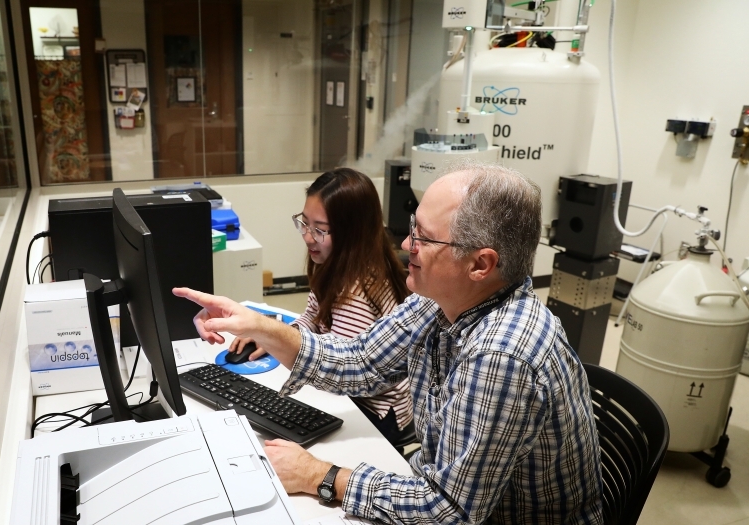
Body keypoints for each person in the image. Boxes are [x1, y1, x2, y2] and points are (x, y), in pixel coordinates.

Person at [173, 160, 603, 524]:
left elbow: (448, 511)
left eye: (424, 237)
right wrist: (257, 325)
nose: (405, 244)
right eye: (413, 228)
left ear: (480, 264)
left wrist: (321, 476)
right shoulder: (440, 301)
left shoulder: (500, 355)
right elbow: (358, 361)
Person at [229, 168, 414, 446]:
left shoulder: (358, 291)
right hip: (350, 389)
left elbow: (340, 368)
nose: (307, 237)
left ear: (353, 232)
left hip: (374, 409)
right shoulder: (335, 263)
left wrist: (276, 336)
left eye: (320, 230)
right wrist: (277, 335)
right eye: (304, 223)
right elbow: (312, 319)